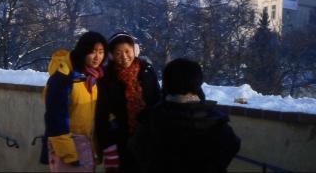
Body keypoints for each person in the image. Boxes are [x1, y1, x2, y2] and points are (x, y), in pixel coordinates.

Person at [129, 58, 241, 173]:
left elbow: (138, 149)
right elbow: (232, 146)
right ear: (197, 83)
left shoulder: (151, 119)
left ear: (167, 84)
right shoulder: (215, 121)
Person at [40, 31, 108, 172]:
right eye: (92, 52)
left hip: (87, 147)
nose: (97, 57)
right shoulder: (63, 78)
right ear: (83, 51)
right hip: (70, 149)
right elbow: (55, 118)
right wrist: (69, 154)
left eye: (101, 52)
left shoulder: (93, 78)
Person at [95, 32, 160, 172]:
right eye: (118, 53)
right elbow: (101, 114)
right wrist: (107, 145)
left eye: (127, 51)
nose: (124, 57)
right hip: (120, 141)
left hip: (147, 139)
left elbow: (157, 101)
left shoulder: (147, 72)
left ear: (135, 50)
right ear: (111, 55)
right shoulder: (105, 78)